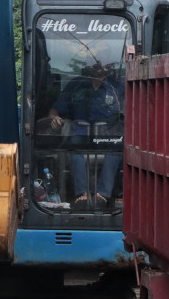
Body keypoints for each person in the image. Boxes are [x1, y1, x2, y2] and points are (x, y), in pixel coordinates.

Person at [45, 60, 124, 210]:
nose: (97, 63)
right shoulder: (76, 85)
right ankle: (83, 194)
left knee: (116, 149)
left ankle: (102, 194)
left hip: (108, 134)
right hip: (80, 133)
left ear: (109, 65)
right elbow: (55, 110)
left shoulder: (117, 86)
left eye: (102, 59)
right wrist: (53, 118)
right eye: (93, 60)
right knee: (73, 150)